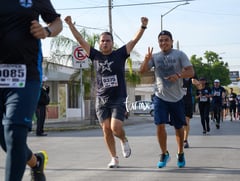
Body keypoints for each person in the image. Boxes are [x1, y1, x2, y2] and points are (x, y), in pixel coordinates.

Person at [65, 16, 148, 168]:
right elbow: (80, 39)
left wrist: (142, 27)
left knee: (115, 128)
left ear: (112, 43)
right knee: (106, 129)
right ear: (99, 43)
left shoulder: (120, 54)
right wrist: (70, 25)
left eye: (107, 40)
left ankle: (123, 139)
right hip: (101, 99)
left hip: (118, 98)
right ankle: (114, 158)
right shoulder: (94, 55)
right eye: (102, 40)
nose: (104, 43)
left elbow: (133, 41)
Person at [0, 1, 62, 181]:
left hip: (25, 75)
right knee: (6, 140)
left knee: (14, 132)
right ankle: (36, 163)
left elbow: (57, 23)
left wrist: (46, 31)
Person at [140, 30, 194, 168]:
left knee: (179, 127)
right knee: (159, 125)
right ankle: (164, 153)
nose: (163, 43)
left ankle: (180, 152)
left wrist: (178, 75)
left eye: (166, 40)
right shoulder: (155, 57)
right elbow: (142, 71)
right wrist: (146, 59)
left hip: (177, 98)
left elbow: (191, 71)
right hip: (160, 96)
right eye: (161, 40)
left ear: (171, 41)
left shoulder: (179, 55)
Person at [182, 75, 201, 148]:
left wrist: (197, 83)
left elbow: (199, 88)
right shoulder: (176, 69)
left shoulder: (191, 73)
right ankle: (180, 138)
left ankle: (185, 140)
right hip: (177, 100)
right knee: (178, 122)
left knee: (186, 122)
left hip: (188, 101)